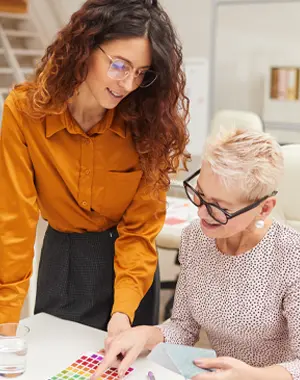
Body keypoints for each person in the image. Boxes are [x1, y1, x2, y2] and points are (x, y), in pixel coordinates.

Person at [0, 0, 190, 337]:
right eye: (119, 65)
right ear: (85, 48)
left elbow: (140, 231)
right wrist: (6, 321)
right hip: (64, 262)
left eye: (141, 73)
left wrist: (123, 311)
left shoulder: (148, 128)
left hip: (130, 275)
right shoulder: (24, 113)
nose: (128, 84)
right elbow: (14, 225)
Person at [95, 127, 300, 380]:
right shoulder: (196, 237)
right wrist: (145, 334)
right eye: (200, 195)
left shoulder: (291, 255)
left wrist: (249, 376)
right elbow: (183, 326)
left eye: (218, 208)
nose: (201, 213)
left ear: (264, 208)